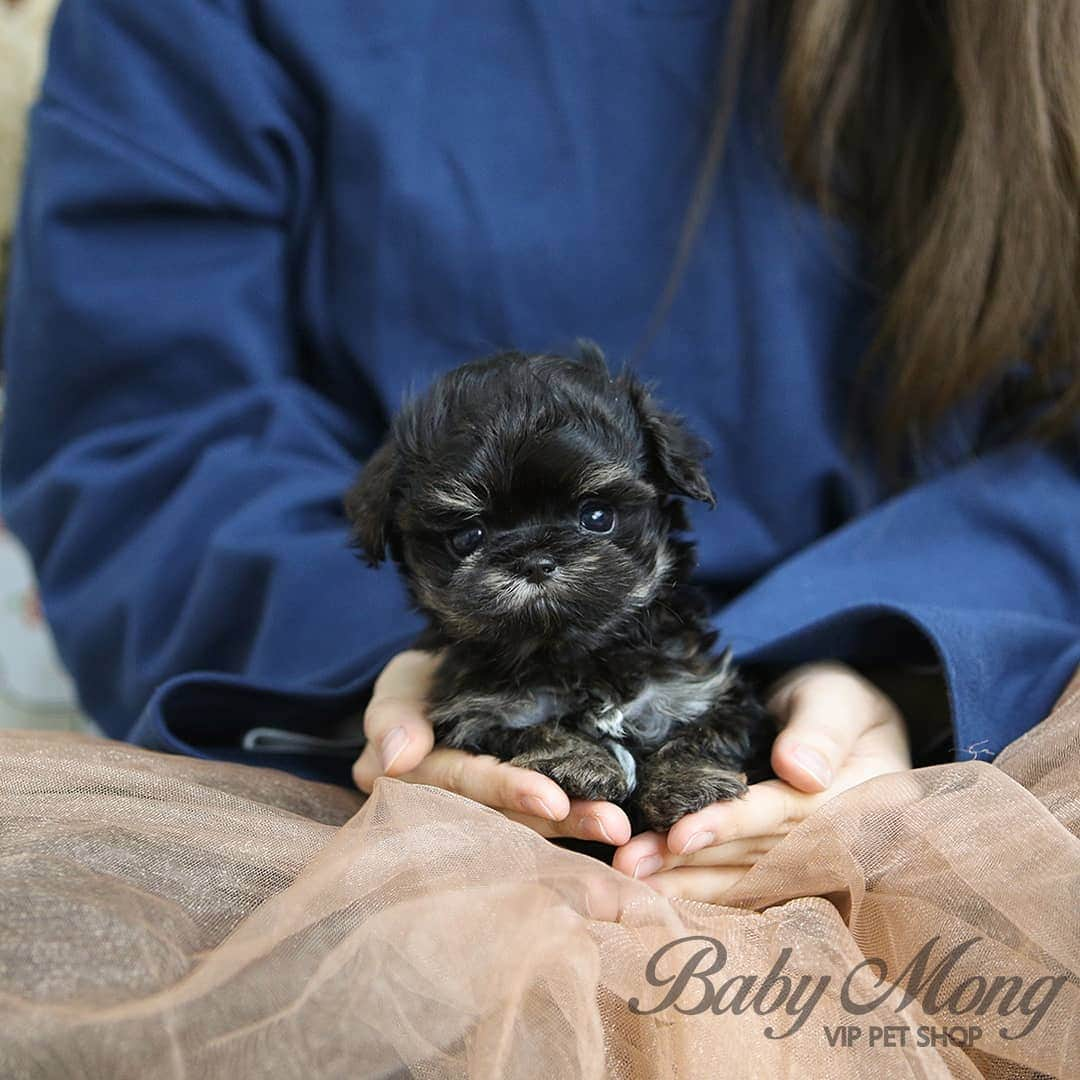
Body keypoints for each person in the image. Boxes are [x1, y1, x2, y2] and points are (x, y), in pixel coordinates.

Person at [2, 0, 1078, 903]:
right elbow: (141, 424)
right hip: (364, 763)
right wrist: (380, 676)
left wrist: (904, 660)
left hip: (970, 723)